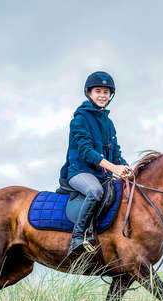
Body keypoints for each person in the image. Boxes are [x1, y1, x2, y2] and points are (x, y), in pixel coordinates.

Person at [59, 71, 132, 255]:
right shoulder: (80, 119)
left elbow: (115, 153)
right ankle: (77, 238)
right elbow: (86, 152)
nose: (102, 95)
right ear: (89, 93)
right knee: (95, 191)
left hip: (101, 174)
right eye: (98, 91)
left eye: (106, 92)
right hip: (79, 172)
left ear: (110, 96)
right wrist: (113, 168)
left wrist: (126, 168)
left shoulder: (109, 123)